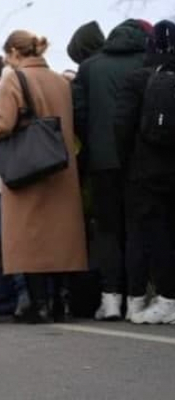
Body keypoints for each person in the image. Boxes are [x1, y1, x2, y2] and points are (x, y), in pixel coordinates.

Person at [0, 30, 87, 323]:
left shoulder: (13, 78)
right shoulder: (60, 81)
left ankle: (38, 305)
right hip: (60, 164)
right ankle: (61, 301)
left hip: (28, 166)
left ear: (14, 52)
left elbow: (2, 123)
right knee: (60, 235)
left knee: (31, 236)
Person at [72, 19, 151, 320]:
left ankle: (110, 299)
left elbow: (78, 111)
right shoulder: (147, 63)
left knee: (107, 231)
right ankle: (136, 300)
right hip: (139, 162)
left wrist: (93, 142)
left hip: (102, 162)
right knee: (137, 229)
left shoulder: (90, 66)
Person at [114, 20, 175, 324]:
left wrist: (127, 161)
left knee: (153, 234)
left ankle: (165, 298)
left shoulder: (138, 78)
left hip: (146, 170)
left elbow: (121, 126)